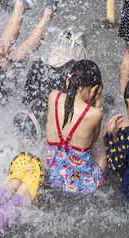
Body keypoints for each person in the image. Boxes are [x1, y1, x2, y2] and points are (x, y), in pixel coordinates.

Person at [44, 58, 104, 194]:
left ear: (68, 81)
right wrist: (98, 104)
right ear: (95, 90)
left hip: (53, 176)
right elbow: (94, 140)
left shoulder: (53, 97)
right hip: (80, 184)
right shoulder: (95, 114)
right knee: (102, 140)